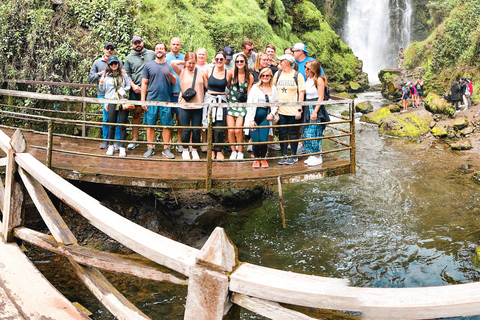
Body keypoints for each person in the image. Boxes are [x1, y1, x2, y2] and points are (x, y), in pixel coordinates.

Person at [140, 42, 177, 158]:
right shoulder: (148, 65)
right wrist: (143, 100)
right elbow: (144, 83)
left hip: (166, 100)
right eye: (157, 49)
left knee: (166, 125)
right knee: (150, 125)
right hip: (151, 99)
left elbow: (174, 81)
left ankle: (166, 149)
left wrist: (172, 76)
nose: (159, 50)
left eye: (161, 49)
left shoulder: (169, 65)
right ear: (155, 51)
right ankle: (150, 148)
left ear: (165, 51)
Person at [88, 41, 122, 149]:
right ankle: (106, 140)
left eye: (111, 49)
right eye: (107, 48)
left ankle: (117, 142)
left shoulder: (118, 61)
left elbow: (123, 75)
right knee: (107, 118)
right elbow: (90, 78)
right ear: (104, 50)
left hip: (116, 95)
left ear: (114, 51)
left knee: (116, 118)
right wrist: (100, 74)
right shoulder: (98, 62)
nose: (109, 50)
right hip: (103, 94)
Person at [171, 52, 205, 160]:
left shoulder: (200, 71)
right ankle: (185, 149)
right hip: (184, 105)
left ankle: (194, 150)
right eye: (189, 63)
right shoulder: (181, 71)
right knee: (186, 129)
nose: (191, 65)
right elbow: (172, 63)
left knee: (196, 129)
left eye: (193, 63)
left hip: (198, 105)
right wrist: (184, 63)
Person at [273, 54, 305, 165]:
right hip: (281, 110)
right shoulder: (278, 74)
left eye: (281, 61)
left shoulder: (297, 75)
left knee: (292, 133)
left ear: (287, 62)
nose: (279, 63)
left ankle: (293, 155)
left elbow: (301, 93)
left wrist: (299, 109)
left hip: (293, 110)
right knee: (282, 133)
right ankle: (283, 154)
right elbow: (273, 89)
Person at [124, 36, 155, 150]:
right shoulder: (129, 58)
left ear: (143, 42)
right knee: (136, 113)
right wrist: (132, 85)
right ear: (132, 45)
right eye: (135, 43)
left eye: (139, 42)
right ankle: (134, 139)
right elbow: (126, 74)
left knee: (151, 114)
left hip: (151, 90)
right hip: (136, 90)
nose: (137, 44)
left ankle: (150, 142)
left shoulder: (152, 54)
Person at [245, 67, 278, 168]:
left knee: (263, 139)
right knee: (255, 139)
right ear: (260, 77)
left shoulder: (273, 88)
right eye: (263, 75)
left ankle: (263, 158)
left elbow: (276, 103)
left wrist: (272, 113)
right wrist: (251, 119)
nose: (265, 77)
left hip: (265, 115)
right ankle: (256, 158)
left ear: (271, 76)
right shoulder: (255, 87)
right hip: (254, 115)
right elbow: (249, 103)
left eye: (267, 75)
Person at [99, 55, 131, 157]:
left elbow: (128, 86)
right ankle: (110, 146)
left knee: (122, 125)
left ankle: (122, 147)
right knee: (111, 125)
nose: (114, 65)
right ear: (109, 65)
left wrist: (122, 90)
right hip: (111, 101)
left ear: (118, 64)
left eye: (115, 63)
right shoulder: (106, 76)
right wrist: (101, 83)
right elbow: (103, 90)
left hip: (121, 101)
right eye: (111, 63)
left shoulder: (123, 74)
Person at [226, 53, 254, 160]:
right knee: (230, 130)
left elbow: (249, 92)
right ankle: (233, 151)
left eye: (241, 61)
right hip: (231, 103)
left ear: (245, 63)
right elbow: (227, 85)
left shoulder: (249, 76)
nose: (239, 63)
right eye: (237, 61)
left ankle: (240, 151)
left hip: (242, 104)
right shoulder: (232, 72)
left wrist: (250, 107)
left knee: (238, 130)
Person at [203, 51, 229, 160]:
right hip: (210, 100)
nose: (219, 61)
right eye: (217, 59)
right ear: (214, 59)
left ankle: (218, 150)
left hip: (221, 101)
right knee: (210, 126)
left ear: (225, 60)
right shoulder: (209, 70)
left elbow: (230, 85)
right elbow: (206, 83)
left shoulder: (228, 73)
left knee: (219, 128)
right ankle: (211, 149)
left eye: (221, 59)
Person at [303, 60, 329, 166]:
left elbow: (321, 97)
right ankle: (311, 154)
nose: (305, 69)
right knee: (305, 133)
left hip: (315, 107)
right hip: (307, 106)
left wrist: (315, 111)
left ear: (314, 69)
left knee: (314, 132)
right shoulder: (308, 78)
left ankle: (318, 156)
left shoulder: (319, 80)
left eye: (308, 68)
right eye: (305, 67)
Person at [166, 37, 185, 152]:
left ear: (180, 45)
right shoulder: (165, 57)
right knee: (169, 118)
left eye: (177, 44)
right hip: (168, 92)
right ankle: (169, 142)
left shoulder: (184, 57)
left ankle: (180, 141)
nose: (175, 46)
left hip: (180, 92)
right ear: (170, 45)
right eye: (173, 44)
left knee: (180, 118)